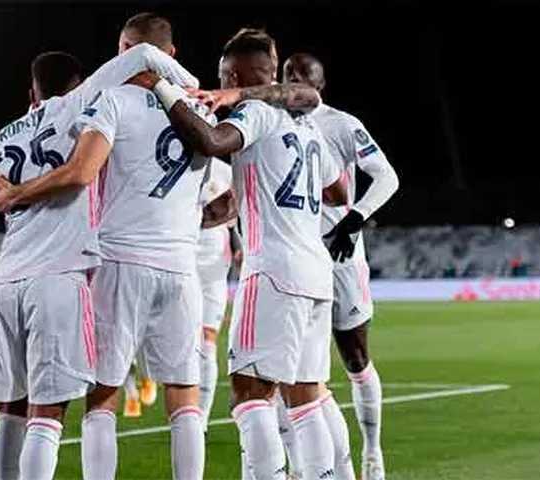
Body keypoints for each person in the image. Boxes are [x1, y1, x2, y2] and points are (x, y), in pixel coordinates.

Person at [0, 42, 199, 480]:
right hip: (59, 280)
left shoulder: (0, 140)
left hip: (6, 286)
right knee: (48, 413)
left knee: (10, 407)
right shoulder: (80, 105)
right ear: (79, 85)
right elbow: (145, 54)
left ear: (31, 91)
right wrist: (189, 87)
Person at [131, 30, 351, 480]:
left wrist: (162, 87)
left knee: (249, 394)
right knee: (306, 397)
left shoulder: (256, 112)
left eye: (221, 78)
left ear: (232, 75)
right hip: (315, 273)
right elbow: (338, 191)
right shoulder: (306, 125)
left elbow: (212, 142)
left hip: (272, 270)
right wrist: (197, 218)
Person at [284, 52, 400, 480]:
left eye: (303, 76)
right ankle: (299, 464)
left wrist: (353, 220)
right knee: (291, 367)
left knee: (354, 357)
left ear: (321, 84)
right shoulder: (270, 122)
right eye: (288, 75)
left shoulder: (342, 124)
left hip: (340, 258)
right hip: (294, 260)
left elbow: (386, 176)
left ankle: (372, 451)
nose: (295, 81)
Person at [196, 158, 239, 430]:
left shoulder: (227, 172)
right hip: (179, 256)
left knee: (207, 338)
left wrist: (241, 247)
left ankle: (199, 417)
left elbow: (235, 219)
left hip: (214, 266)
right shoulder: (176, 161)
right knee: (181, 336)